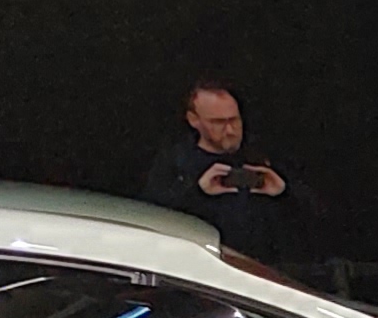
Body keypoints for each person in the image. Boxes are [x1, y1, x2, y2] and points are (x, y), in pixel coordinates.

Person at [137, 83, 320, 274]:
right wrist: (196, 192)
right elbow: (151, 218)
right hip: (201, 272)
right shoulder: (176, 162)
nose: (230, 130)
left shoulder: (264, 157)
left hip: (267, 270)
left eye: (234, 120)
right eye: (218, 122)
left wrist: (284, 191)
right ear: (194, 120)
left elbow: (316, 216)